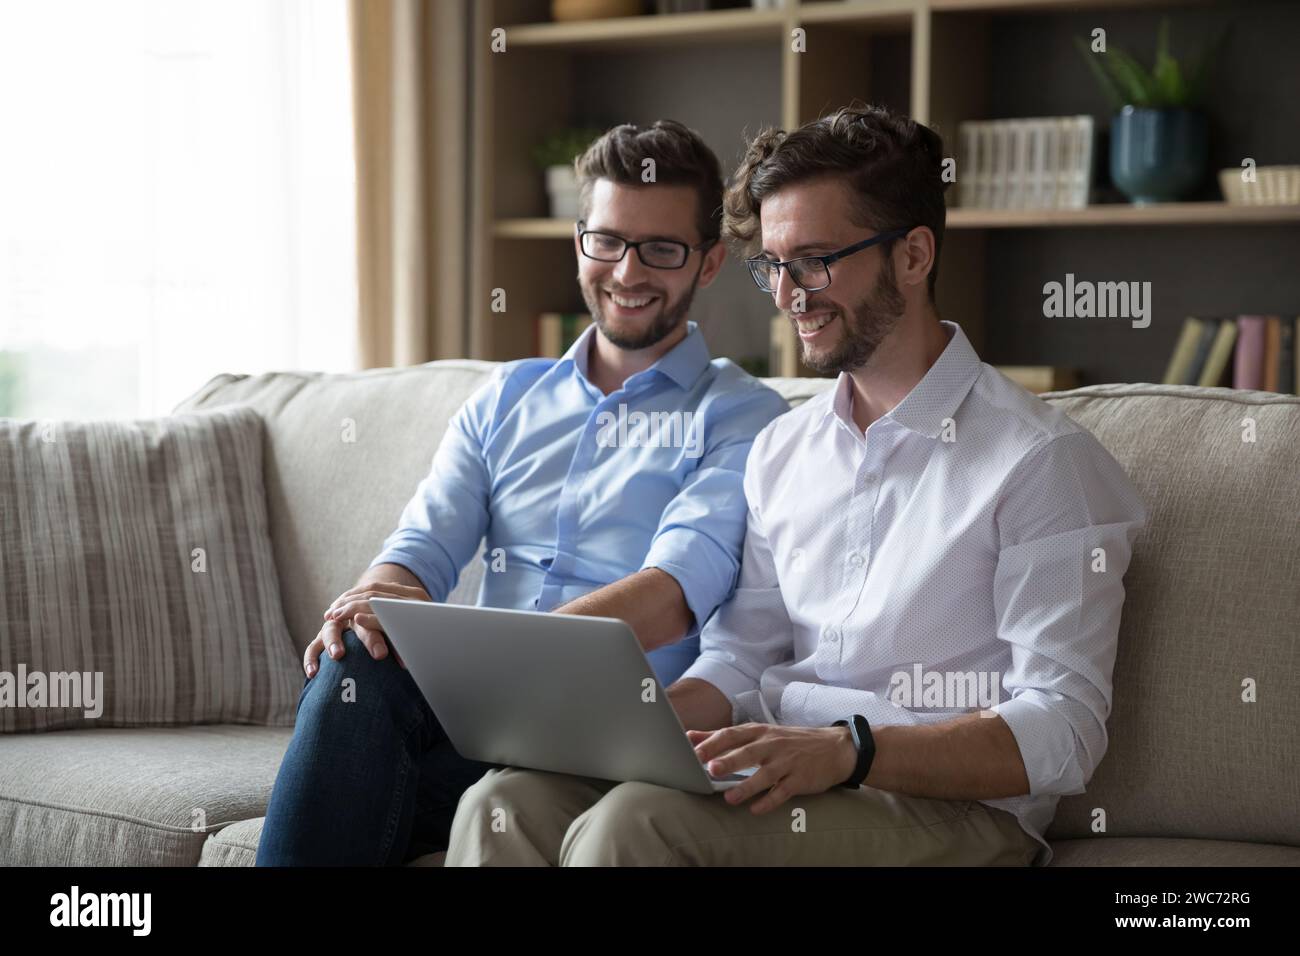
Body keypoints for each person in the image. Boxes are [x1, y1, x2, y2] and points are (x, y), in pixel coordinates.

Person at [445, 104, 1148, 867]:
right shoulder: (785, 447)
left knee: (637, 826)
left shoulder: (1040, 462)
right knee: (502, 803)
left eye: (814, 261)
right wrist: (635, 726)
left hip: (955, 812)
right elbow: (743, 659)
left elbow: (1065, 729)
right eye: (772, 266)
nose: (787, 295)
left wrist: (850, 750)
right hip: (791, 770)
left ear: (913, 256)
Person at [256, 119, 789, 866]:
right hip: (474, 724)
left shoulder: (741, 416)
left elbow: (673, 594)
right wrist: (375, 597)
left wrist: (502, 666)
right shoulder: (506, 397)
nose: (628, 273)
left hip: (599, 738)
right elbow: (419, 550)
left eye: (661, 250)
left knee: (371, 772)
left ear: (707, 263)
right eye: (607, 241)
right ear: (579, 244)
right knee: (358, 655)